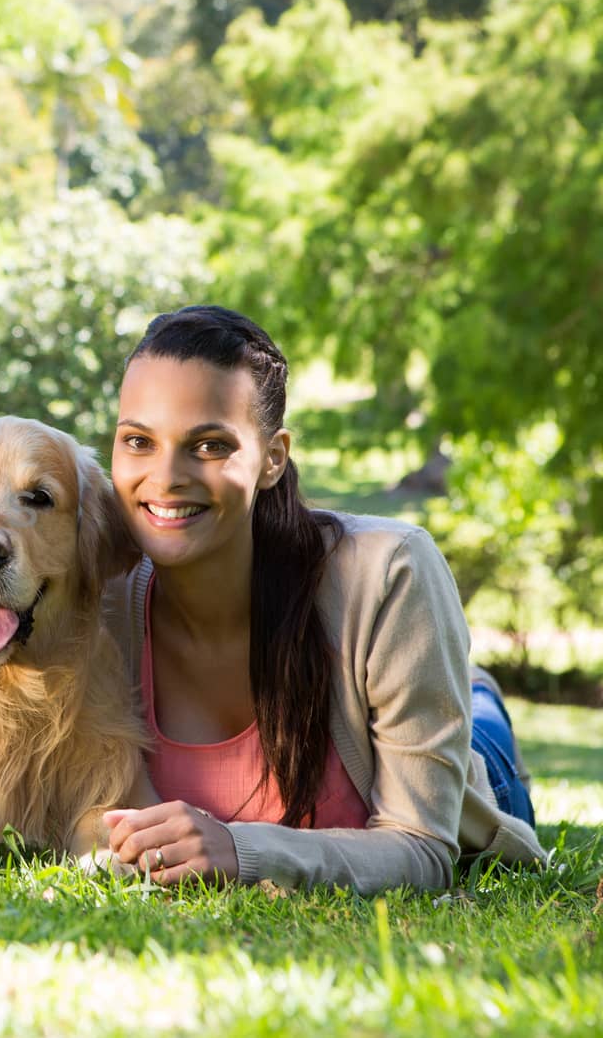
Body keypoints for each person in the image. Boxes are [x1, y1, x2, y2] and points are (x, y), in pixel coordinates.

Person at [99, 305, 545, 892]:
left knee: (481, 727)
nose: (165, 476)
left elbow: (425, 849)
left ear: (273, 458)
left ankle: (475, 689)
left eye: (209, 446)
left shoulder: (389, 571)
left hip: (468, 786)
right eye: (138, 441)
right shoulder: (100, 601)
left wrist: (242, 848)